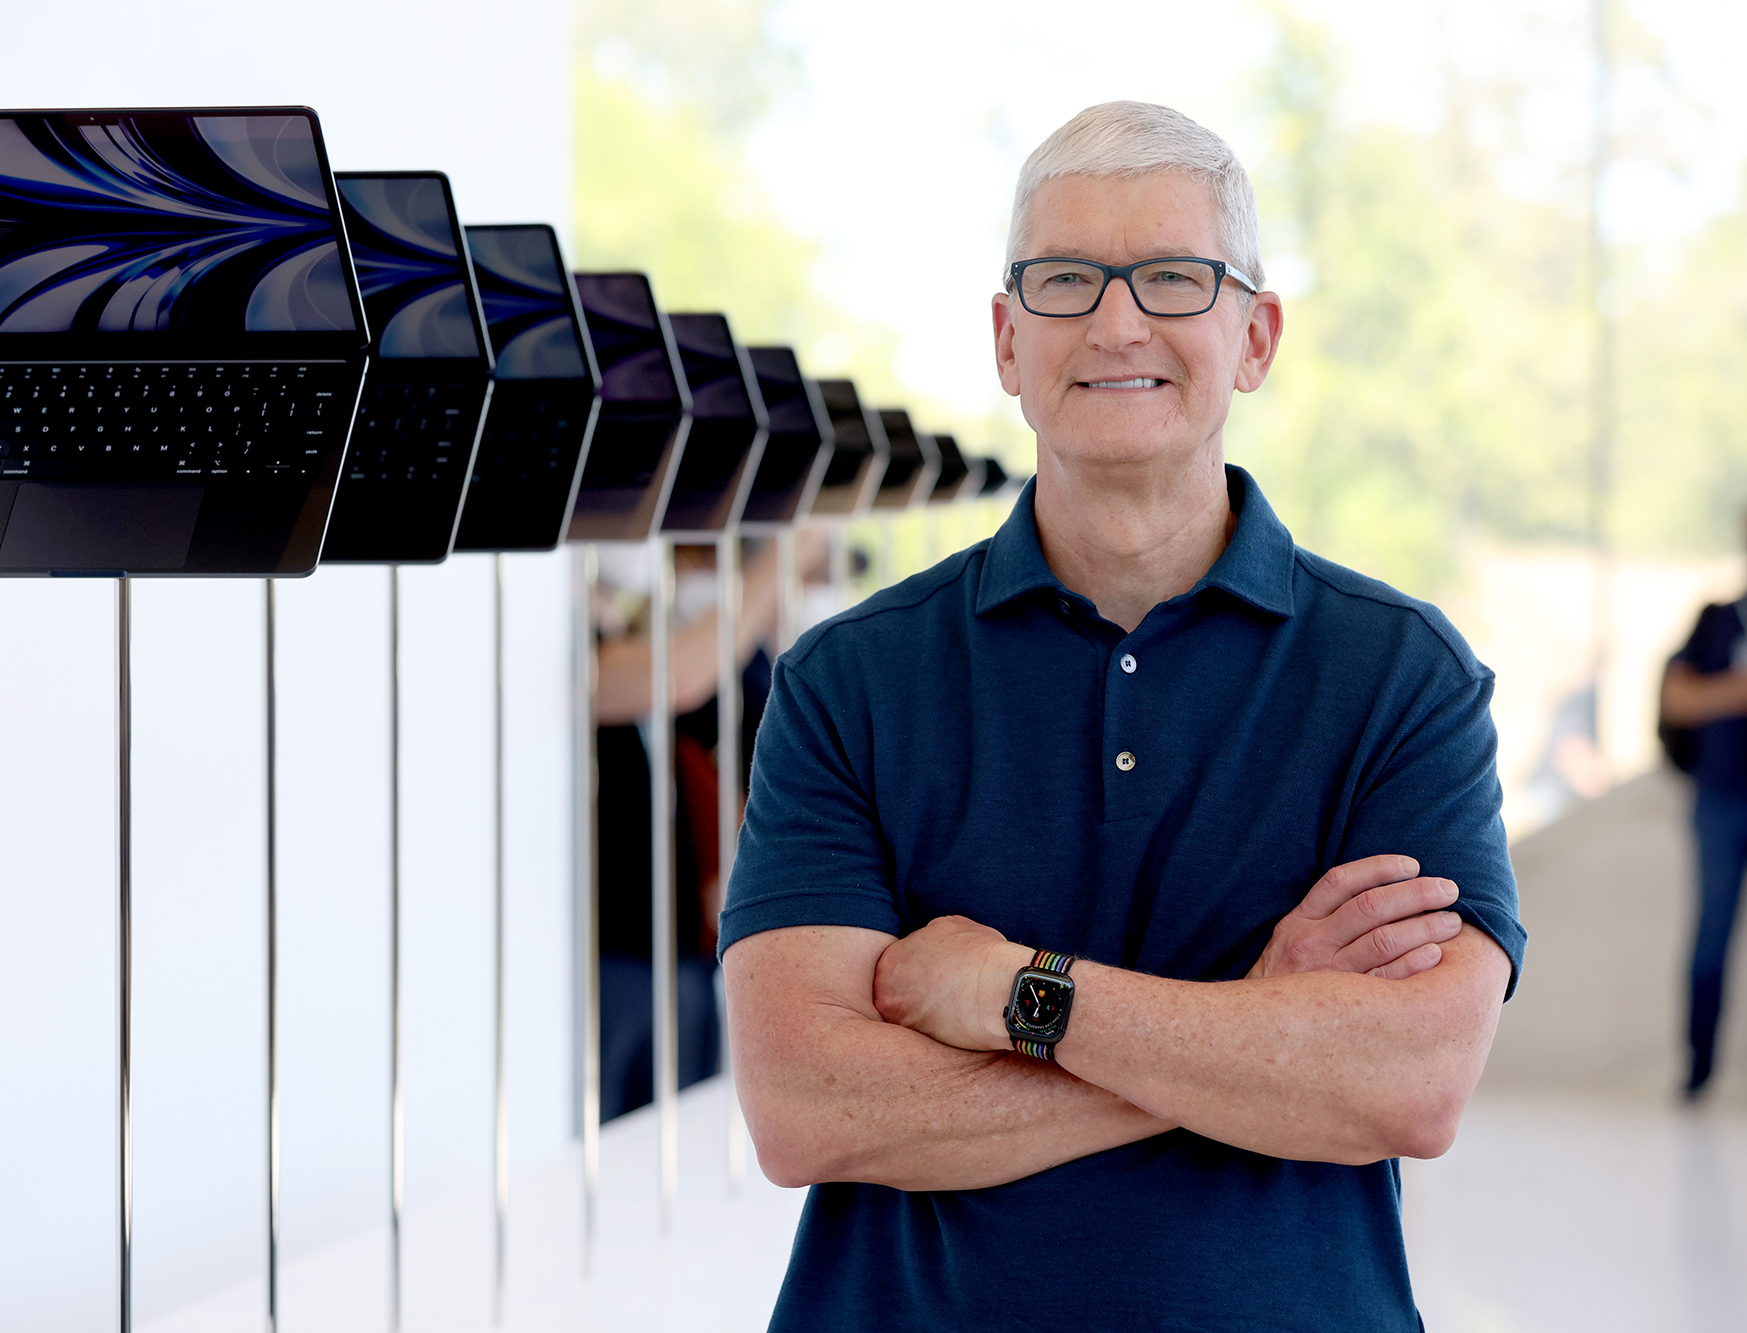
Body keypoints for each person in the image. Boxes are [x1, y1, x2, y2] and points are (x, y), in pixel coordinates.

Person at [720, 102, 1525, 1331]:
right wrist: (1257, 1020)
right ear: (1004, 337)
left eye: (1169, 276)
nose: (1112, 320)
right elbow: (807, 1105)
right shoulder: (847, 682)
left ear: (1253, 336)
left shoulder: (1400, 677)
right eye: (1063, 280)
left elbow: (1406, 1083)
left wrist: (1012, 992)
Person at [592, 533, 823, 1119]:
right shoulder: (574, 654)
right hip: (612, 953)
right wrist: (777, 561)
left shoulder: (644, 633)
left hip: (681, 945)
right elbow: (676, 677)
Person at [1659, 537, 1747, 1098]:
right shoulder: (1717, 620)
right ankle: (1698, 1069)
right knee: (1711, 933)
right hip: (1721, 799)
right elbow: (1677, 699)